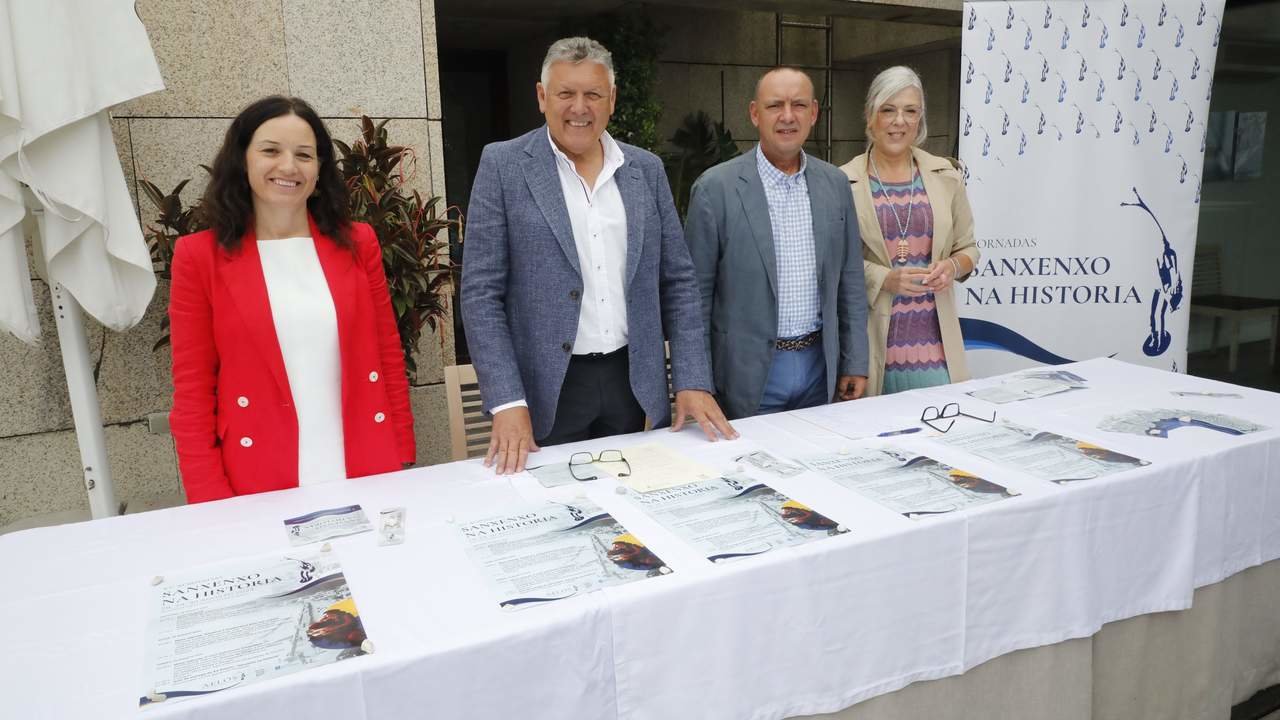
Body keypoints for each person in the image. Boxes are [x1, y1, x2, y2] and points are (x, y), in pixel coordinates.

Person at [461, 37, 736, 475]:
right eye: (566, 93)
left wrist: (692, 379)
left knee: (637, 503)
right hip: (547, 388)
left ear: (612, 100)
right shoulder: (504, 165)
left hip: (633, 381)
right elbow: (480, 294)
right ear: (541, 97)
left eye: (592, 94)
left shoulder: (645, 169)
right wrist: (507, 399)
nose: (579, 107)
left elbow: (679, 282)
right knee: (555, 512)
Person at [169, 96, 415, 504]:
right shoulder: (200, 257)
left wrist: (402, 451)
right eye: (270, 151)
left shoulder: (359, 243)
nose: (288, 167)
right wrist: (209, 497)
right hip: (256, 475)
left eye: (304, 154)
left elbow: (388, 355)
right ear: (242, 159)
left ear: (319, 169)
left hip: (365, 462)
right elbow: (193, 390)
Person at [684, 67, 868, 420]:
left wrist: (854, 361)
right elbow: (695, 299)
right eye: (775, 106)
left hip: (820, 368)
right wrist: (698, 382)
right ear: (755, 113)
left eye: (798, 105)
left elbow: (850, 280)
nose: (787, 116)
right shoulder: (715, 189)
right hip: (748, 376)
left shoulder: (835, 184)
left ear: (814, 113)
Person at [839, 66, 980, 396]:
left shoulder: (946, 175)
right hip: (871, 347)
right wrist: (883, 278)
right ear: (870, 115)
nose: (898, 121)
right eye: (888, 109)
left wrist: (952, 266)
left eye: (910, 111)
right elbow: (832, 263)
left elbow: (969, 248)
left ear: (921, 119)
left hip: (937, 348)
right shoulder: (841, 182)